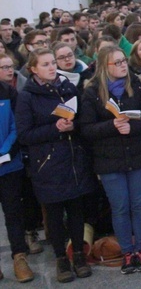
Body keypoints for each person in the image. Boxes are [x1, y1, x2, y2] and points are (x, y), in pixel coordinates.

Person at [15, 49, 96, 283]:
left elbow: (81, 119)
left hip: (72, 158)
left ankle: (78, 254)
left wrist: (73, 126)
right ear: (33, 69)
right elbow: (24, 134)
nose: (52, 68)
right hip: (47, 162)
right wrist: (54, 128)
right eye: (45, 64)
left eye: (53, 63)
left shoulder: (67, 88)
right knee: (53, 213)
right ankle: (61, 258)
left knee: (76, 210)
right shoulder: (28, 96)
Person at [78, 46, 141, 275]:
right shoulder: (92, 92)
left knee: (139, 205)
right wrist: (111, 125)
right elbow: (87, 129)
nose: (124, 65)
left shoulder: (138, 85)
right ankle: (127, 251)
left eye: (124, 61)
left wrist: (131, 126)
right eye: (118, 63)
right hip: (110, 159)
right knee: (120, 207)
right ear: (105, 66)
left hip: (138, 154)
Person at [0, 79, 34, 282]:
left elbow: (16, 125)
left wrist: (4, 151)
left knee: (13, 212)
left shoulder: (8, 92)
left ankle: (20, 257)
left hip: (8, 163)